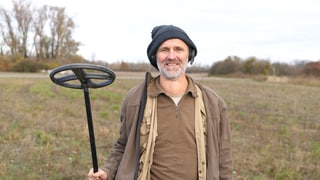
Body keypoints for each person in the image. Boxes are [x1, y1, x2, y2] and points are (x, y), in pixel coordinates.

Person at [88, 25, 233, 180]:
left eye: (178, 49)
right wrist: (108, 171)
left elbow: (223, 157)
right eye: (164, 50)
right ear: (154, 56)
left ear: (189, 55)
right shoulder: (134, 99)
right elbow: (123, 145)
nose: (171, 56)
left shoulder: (213, 103)